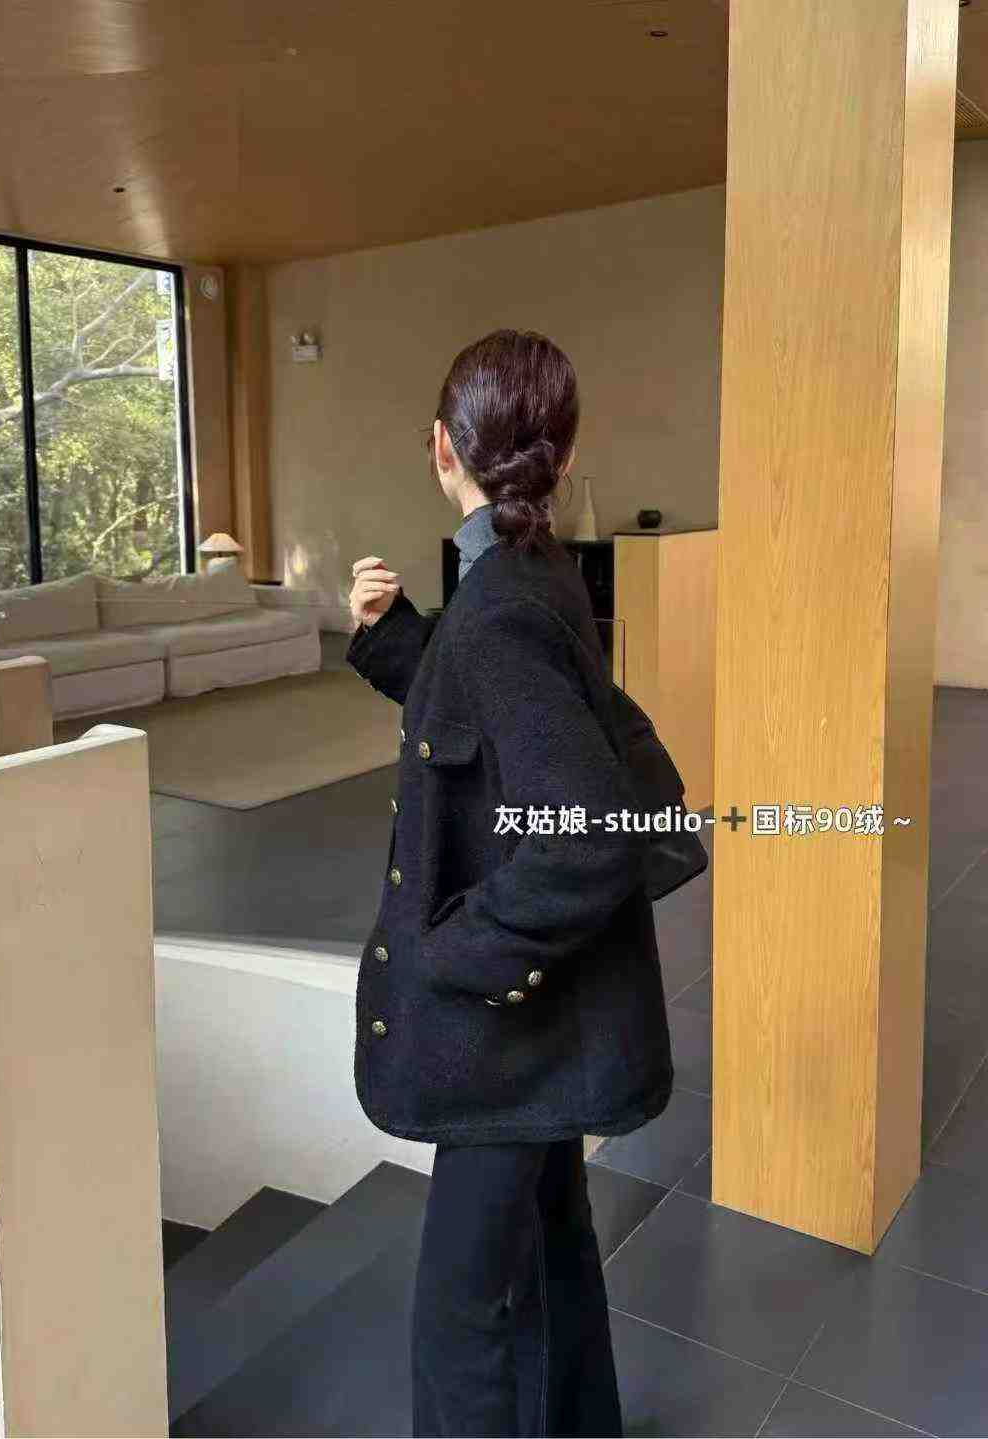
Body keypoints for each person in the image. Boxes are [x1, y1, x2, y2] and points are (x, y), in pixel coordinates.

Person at [345, 329, 674, 1438]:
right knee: (549, 1257)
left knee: (460, 1318)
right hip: (543, 1033)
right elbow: (495, 723)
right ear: (564, 453)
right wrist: (398, 642)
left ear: (444, 447)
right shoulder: (531, 576)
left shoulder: (501, 607)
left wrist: (451, 951)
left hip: (508, 1035)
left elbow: (586, 836)